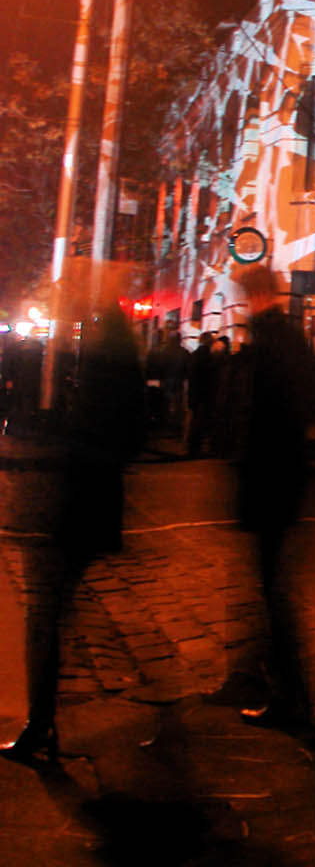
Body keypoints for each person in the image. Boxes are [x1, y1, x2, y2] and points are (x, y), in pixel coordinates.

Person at [2, 300, 145, 765]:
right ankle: (44, 719)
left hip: (64, 500)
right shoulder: (105, 349)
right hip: (76, 499)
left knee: (43, 611)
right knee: (51, 609)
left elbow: (101, 431)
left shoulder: (92, 356)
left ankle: (41, 723)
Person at [231, 264, 315, 730]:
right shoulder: (284, 339)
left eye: (247, 295)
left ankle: (290, 698)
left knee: (274, 595)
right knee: (269, 592)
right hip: (280, 485)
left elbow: (265, 421)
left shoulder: (271, 341)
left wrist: (249, 479)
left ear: (258, 295)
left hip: (272, 486)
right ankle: (254, 679)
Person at [185, 331, 218, 457]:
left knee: (194, 419)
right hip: (204, 393)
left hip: (194, 391)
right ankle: (195, 447)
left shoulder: (194, 355)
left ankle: (192, 446)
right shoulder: (209, 357)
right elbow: (211, 377)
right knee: (200, 421)